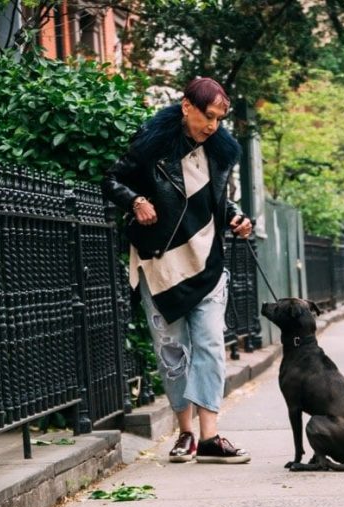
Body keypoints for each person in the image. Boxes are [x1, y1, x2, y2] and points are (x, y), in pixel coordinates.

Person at [102, 77, 252, 464]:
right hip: (161, 263)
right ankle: (185, 432)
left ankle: (210, 436)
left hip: (206, 262)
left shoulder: (219, 151)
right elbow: (111, 179)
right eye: (208, 116)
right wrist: (135, 201)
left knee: (210, 346)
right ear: (187, 106)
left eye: (220, 119)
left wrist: (236, 216)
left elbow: (218, 199)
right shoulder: (152, 144)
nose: (213, 126)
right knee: (172, 353)